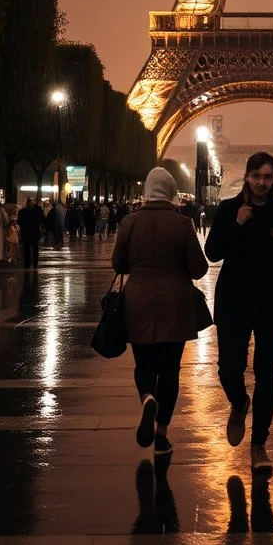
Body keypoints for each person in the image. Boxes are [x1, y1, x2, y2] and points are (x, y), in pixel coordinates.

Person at [205, 151, 273, 476]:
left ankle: (258, 445)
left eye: (267, 177)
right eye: (257, 176)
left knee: (267, 372)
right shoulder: (228, 210)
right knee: (228, 368)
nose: (262, 182)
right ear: (247, 177)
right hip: (234, 300)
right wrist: (237, 225)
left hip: (272, 301)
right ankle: (238, 401)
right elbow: (212, 251)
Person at [113, 166, 208, 458]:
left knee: (144, 365)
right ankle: (162, 435)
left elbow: (119, 265)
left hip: (138, 301)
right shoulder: (183, 224)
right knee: (170, 371)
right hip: (175, 302)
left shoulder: (129, 222)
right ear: (170, 192)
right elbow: (199, 268)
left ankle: (147, 397)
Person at [18, 197, 44, 269]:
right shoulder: (37, 211)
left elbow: (20, 222)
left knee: (27, 250)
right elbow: (42, 220)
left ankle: (28, 264)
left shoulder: (22, 212)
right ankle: (34, 264)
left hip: (27, 233)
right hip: (34, 232)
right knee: (34, 249)